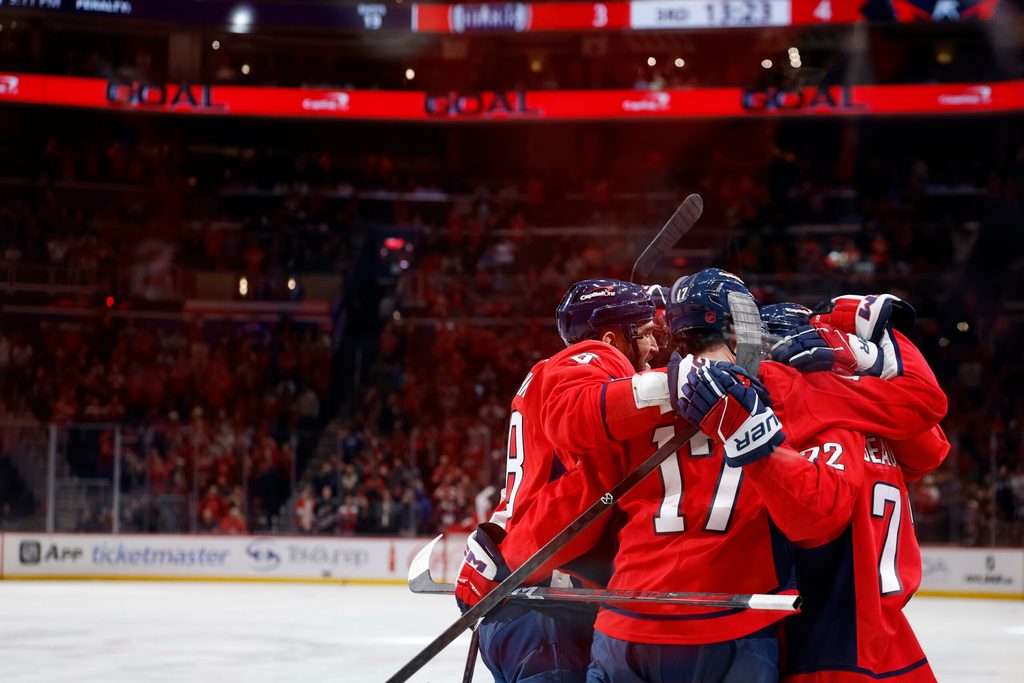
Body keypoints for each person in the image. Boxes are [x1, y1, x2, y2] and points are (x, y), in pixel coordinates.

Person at [462, 269, 946, 682]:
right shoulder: (791, 389)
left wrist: (509, 548)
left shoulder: (632, 397)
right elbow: (921, 432)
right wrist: (855, 351)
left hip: (626, 624)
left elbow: (588, 479)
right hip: (740, 628)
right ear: (746, 329)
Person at [456, 278, 690, 683]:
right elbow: (590, 490)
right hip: (539, 600)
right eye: (648, 334)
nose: (655, 348)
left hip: (523, 593)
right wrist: (680, 380)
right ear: (612, 338)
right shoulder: (589, 358)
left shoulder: (552, 370)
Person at [767, 294, 950, 681]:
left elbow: (811, 517)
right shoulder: (879, 416)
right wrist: (870, 358)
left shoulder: (810, 409)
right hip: (889, 632)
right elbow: (932, 446)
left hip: (829, 629)